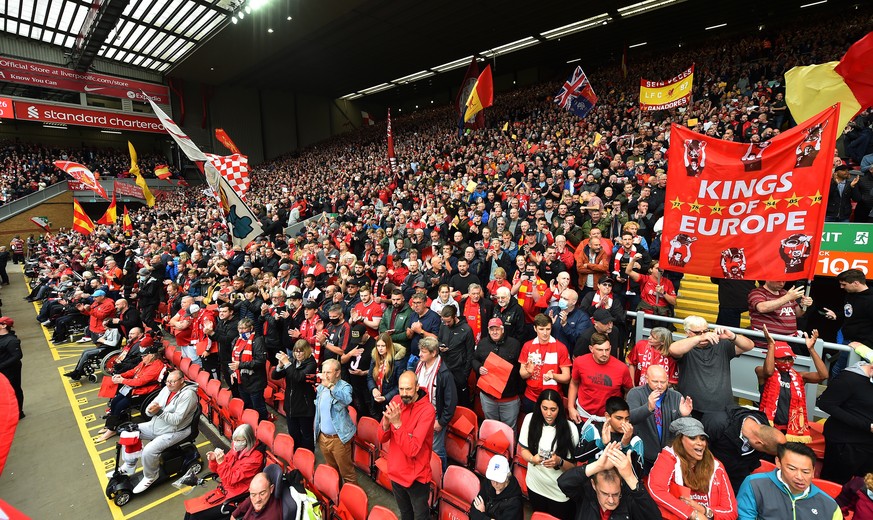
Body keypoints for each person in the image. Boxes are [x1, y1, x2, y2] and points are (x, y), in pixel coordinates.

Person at [120, 369, 200, 494]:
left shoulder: (188, 395)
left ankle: (150, 476)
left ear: (182, 381)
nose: (169, 384)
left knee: (149, 451)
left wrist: (159, 412)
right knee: (129, 433)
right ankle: (130, 464)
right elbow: (153, 404)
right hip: (158, 425)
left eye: (172, 382)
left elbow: (176, 420)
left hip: (175, 431)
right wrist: (149, 411)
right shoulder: (166, 389)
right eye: (167, 381)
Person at [647, 417, 738, 520]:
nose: (700, 443)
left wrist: (703, 510)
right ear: (680, 440)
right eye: (693, 437)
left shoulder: (716, 467)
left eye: (702, 439)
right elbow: (657, 491)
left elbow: (731, 511)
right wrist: (692, 514)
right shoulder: (668, 459)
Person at [380, 371, 436, 520]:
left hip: (417, 478)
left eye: (408, 389)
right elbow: (381, 438)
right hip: (396, 473)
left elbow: (412, 450)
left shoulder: (427, 410)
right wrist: (385, 425)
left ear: (417, 387)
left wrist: (397, 424)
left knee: (420, 517)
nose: (404, 394)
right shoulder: (396, 399)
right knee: (405, 514)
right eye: (401, 389)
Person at [669, 316, 754, 413]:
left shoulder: (721, 344)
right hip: (692, 408)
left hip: (722, 408)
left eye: (705, 331)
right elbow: (673, 349)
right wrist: (699, 338)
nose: (703, 335)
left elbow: (749, 346)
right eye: (697, 333)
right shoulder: (685, 346)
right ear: (687, 332)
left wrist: (732, 336)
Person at [737, 442, 842, 520]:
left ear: (814, 471)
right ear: (778, 462)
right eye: (792, 469)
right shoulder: (755, 485)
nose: (799, 477)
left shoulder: (829, 505)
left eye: (806, 472)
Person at [757, 326, 828, 442]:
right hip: (769, 427)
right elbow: (769, 371)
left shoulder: (799, 377)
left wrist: (812, 350)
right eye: (783, 359)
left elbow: (823, 376)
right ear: (773, 359)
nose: (787, 362)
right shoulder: (762, 372)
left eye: (790, 359)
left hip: (791, 430)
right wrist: (771, 346)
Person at [558, 441, 662, 520]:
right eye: (605, 494)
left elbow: (654, 517)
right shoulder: (585, 493)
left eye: (616, 494)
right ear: (594, 485)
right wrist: (597, 466)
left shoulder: (629, 499)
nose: (611, 501)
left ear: (621, 484)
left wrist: (630, 477)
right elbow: (563, 482)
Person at [518, 388, 579, 518]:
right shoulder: (529, 419)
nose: (548, 414)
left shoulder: (570, 429)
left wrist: (559, 461)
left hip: (559, 492)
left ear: (560, 409)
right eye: (544, 408)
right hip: (535, 485)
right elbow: (523, 450)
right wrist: (532, 459)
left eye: (553, 409)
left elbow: (573, 468)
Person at [185, 424, 265, 520]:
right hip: (223, 491)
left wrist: (221, 462)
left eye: (239, 441)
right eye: (234, 440)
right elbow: (217, 470)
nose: (235, 443)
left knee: (195, 516)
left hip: (235, 498)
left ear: (248, 440)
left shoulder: (255, 459)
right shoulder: (236, 449)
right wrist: (214, 460)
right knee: (189, 511)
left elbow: (230, 479)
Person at [700, 405, 787, 494]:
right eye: (765, 452)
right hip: (708, 476)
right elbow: (698, 450)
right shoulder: (717, 424)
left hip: (737, 482)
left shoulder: (765, 431)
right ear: (758, 443)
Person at [817, 356, 873, 485]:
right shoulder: (849, 379)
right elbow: (825, 403)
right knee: (835, 484)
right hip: (845, 443)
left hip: (868, 445)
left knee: (864, 487)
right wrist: (867, 426)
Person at [628, 365, 694, 473]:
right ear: (646, 378)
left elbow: (684, 428)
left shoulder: (676, 396)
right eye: (655, 381)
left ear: (668, 380)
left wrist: (684, 415)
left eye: (663, 382)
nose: (659, 386)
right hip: (643, 455)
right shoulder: (636, 393)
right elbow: (631, 418)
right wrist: (648, 408)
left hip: (668, 456)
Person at [98, 345, 165, 441]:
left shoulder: (156, 367)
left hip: (143, 392)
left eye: (144, 356)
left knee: (120, 405)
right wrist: (120, 375)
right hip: (133, 388)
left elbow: (140, 382)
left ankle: (111, 429)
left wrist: (122, 380)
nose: (142, 358)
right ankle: (110, 424)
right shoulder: (145, 362)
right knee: (115, 401)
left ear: (151, 355)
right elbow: (134, 371)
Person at [568, 332, 633, 423]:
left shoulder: (622, 368)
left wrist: (622, 415)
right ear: (591, 349)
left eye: (607, 350)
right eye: (600, 350)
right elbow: (574, 383)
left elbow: (629, 391)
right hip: (583, 415)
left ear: (610, 348)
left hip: (609, 419)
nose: (604, 354)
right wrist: (571, 407)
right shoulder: (580, 362)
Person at [413, 337, 457, 471]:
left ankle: (440, 475)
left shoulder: (444, 373)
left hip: (435, 417)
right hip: (419, 414)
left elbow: (451, 402)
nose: (420, 354)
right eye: (420, 351)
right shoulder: (419, 366)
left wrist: (442, 422)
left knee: (437, 450)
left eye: (424, 352)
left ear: (434, 353)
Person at [473, 317, 523, 430]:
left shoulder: (515, 344)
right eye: (492, 330)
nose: (494, 332)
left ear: (503, 329)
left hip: (509, 399)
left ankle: (510, 448)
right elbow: (473, 359)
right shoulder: (482, 343)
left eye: (497, 329)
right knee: (491, 428)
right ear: (488, 330)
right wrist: (478, 367)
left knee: (509, 429)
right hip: (488, 398)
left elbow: (521, 368)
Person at [576, 397, 645, 478]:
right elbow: (578, 456)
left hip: (621, 486)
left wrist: (625, 446)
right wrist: (601, 443)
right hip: (593, 482)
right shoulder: (594, 430)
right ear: (607, 416)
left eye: (627, 419)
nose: (623, 423)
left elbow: (638, 475)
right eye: (619, 418)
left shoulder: (635, 441)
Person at [314, 358, 357, 485]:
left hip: (339, 439)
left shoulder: (344, 386)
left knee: (347, 473)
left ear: (337, 373)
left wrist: (331, 387)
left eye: (328, 372)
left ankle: (353, 501)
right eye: (323, 372)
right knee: (332, 472)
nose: (325, 376)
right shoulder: (321, 387)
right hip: (323, 438)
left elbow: (347, 400)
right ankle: (337, 495)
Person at [822, 269, 873, 378]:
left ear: (856, 283)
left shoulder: (870, 299)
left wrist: (866, 343)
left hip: (865, 346)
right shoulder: (850, 294)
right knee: (837, 372)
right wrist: (836, 315)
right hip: (848, 342)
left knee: (860, 375)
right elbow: (851, 313)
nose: (841, 287)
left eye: (844, 284)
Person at [518, 313, 572, 413]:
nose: (545, 333)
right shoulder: (527, 346)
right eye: (541, 329)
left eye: (548, 329)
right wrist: (529, 372)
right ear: (535, 328)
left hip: (552, 398)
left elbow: (566, 377)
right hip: (531, 397)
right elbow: (522, 374)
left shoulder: (560, 347)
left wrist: (553, 376)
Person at [271, 339, 317, 452]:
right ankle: (297, 453)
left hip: (305, 406)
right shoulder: (291, 362)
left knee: (306, 434)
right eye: (296, 351)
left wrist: (287, 363)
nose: (298, 354)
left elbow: (298, 377)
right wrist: (280, 365)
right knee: (293, 433)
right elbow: (275, 376)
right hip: (291, 405)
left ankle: (308, 454)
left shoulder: (311, 363)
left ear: (307, 351)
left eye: (301, 351)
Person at [747, 281, 813, 351]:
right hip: (767, 342)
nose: (782, 284)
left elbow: (797, 314)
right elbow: (762, 308)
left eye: (784, 281)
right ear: (767, 278)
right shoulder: (757, 292)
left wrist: (803, 305)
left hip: (790, 341)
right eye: (778, 281)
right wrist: (787, 297)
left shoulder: (784, 292)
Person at [229, 318, 269, 421]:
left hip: (255, 381)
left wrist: (240, 365)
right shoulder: (236, 341)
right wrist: (232, 372)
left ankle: (262, 424)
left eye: (244, 328)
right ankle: (251, 423)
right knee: (247, 405)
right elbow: (233, 360)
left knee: (258, 407)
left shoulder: (258, 340)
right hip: (242, 381)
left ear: (251, 328)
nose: (241, 331)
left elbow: (260, 361)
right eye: (239, 328)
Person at [437, 305, 474, 407]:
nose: (446, 324)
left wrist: (465, 374)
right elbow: (439, 339)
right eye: (444, 321)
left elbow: (470, 353)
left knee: (462, 400)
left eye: (448, 321)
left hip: (459, 370)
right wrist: (440, 346)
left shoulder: (466, 330)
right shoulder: (443, 325)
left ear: (455, 317)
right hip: (445, 367)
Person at [470, 454, 524, 520]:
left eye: (499, 480)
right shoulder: (489, 481)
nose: (495, 484)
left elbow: (477, 514)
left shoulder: (514, 503)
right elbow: (473, 509)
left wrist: (482, 513)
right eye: (492, 479)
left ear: (507, 478)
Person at [368, 332, 404, 419]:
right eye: (378, 346)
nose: (380, 349)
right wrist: (373, 389)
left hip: (390, 402)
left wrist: (385, 397)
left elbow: (399, 386)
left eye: (383, 346)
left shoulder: (397, 362)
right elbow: (369, 377)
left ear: (388, 345)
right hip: (376, 399)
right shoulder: (374, 358)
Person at [0, 317, 24, 419]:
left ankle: (18, 412)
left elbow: (17, 356)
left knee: (14, 390)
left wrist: (1, 366)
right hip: (3, 369)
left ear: (4, 325)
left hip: (10, 370)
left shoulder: (11, 341)